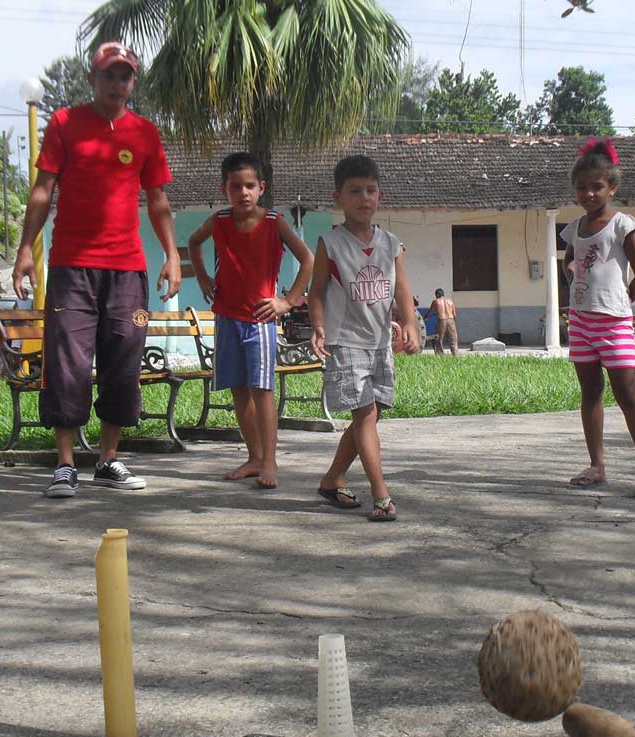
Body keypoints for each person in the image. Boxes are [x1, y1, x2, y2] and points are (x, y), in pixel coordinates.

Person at [11, 42, 182, 499]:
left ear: (133, 82)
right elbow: (43, 190)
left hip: (129, 272)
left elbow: (159, 201)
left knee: (125, 360)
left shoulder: (145, 132)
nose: (117, 83)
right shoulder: (66, 123)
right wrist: (26, 247)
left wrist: (172, 254)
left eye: (125, 76)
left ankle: (108, 460)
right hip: (72, 269)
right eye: (109, 75)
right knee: (67, 363)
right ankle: (66, 465)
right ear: (93, 78)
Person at [187, 151, 314, 488]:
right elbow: (193, 242)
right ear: (225, 189)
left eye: (249, 186)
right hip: (227, 317)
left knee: (262, 390)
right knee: (239, 390)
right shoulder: (218, 222)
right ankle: (254, 456)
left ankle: (270, 462)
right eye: (235, 186)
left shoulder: (275, 222)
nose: (242, 192)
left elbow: (308, 259)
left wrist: (288, 301)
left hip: (260, 320)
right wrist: (202, 278)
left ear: (261, 188)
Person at [309, 155, 419, 521]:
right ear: (338, 197)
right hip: (345, 340)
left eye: (370, 190)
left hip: (380, 342)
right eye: (354, 191)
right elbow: (318, 291)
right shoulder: (331, 242)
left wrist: (410, 325)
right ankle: (381, 495)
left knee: (371, 417)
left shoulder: (391, 243)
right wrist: (319, 326)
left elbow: (402, 289)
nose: (364, 198)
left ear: (380, 196)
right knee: (365, 414)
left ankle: (332, 478)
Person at [560, 138, 635, 500]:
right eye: (581, 187)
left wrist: (620, 300)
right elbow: (569, 261)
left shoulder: (622, 225)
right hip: (582, 323)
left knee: (628, 394)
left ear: (612, 187)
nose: (588, 193)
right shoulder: (574, 227)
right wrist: (578, 282)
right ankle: (597, 465)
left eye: (596, 186)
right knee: (590, 394)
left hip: (614, 323)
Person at [427, 288, 459, 355]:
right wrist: (453, 323)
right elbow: (454, 314)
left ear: (437, 295)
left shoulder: (436, 301)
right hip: (451, 320)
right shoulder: (450, 301)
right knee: (453, 338)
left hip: (442, 320)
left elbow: (430, 312)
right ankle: (455, 354)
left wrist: (426, 317)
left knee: (439, 339)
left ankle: (441, 354)